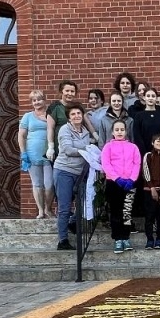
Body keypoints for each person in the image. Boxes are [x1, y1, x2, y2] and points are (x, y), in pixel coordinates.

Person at [53, 104, 95, 250]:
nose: (77, 116)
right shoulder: (65, 129)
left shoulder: (84, 131)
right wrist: (88, 149)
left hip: (80, 173)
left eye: (79, 113)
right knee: (64, 207)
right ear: (69, 117)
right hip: (64, 170)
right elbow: (68, 149)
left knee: (84, 201)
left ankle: (72, 222)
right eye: (73, 114)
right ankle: (62, 240)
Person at [100, 119, 141, 254]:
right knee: (116, 211)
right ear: (112, 132)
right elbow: (106, 164)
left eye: (122, 129)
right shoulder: (108, 147)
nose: (119, 132)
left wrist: (132, 179)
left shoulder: (133, 147)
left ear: (126, 131)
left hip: (129, 183)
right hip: (114, 183)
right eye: (117, 130)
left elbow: (137, 164)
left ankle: (126, 237)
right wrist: (116, 178)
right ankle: (118, 238)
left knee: (127, 212)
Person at [18, 88, 54, 219]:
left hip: (48, 154)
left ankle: (48, 208)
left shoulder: (50, 114)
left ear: (44, 100)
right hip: (32, 154)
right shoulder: (27, 116)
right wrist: (24, 153)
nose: (37, 102)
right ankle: (40, 211)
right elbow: (21, 135)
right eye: (34, 100)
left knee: (49, 184)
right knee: (37, 183)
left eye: (39, 99)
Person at [141, 132, 160, 249]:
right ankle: (149, 239)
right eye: (158, 141)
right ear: (153, 143)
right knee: (149, 216)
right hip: (149, 191)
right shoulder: (148, 156)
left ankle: (159, 239)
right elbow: (145, 171)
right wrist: (152, 187)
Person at [133, 89, 160, 153]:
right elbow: (137, 136)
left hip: (159, 151)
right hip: (143, 152)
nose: (150, 98)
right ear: (144, 98)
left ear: (156, 98)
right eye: (148, 96)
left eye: (153, 96)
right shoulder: (139, 116)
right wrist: (144, 152)